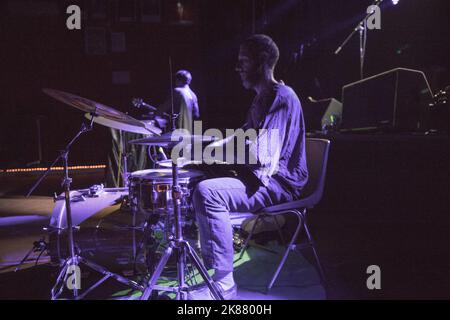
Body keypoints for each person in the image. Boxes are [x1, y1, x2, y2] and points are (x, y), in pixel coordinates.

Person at [188, 34, 309, 300]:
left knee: (208, 192)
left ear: (262, 61)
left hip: (279, 184)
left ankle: (224, 283)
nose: (238, 67)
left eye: (243, 60)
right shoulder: (261, 98)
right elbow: (242, 135)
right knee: (198, 177)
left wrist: (218, 154)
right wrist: (206, 149)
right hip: (264, 178)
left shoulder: (281, 97)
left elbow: (261, 156)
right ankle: (212, 264)